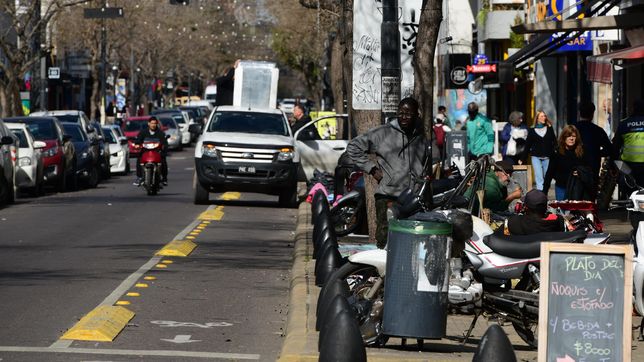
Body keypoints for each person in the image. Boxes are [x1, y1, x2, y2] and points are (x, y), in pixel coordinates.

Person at [346, 97, 431, 249]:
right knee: (385, 241)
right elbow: (353, 147)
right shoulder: (383, 132)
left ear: (416, 115)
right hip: (388, 195)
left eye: (408, 114)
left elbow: (429, 160)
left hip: (414, 198)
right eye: (401, 113)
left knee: (412, 243)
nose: (404, 117)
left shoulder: (421, 134)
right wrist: (371, 168)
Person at [571, 102, 613, 199]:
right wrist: (597, 153)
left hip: (575, 167)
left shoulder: (572, 129)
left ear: (579, 113)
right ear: (592, 114)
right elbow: (609, 149)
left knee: (574, 199)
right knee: (589, 199)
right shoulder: (598, 130)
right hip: (592, 169)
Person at [543, 125, 591, 200]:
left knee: (575, 211)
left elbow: (588, 169)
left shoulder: (581, 152)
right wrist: (544, 192)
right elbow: (550, 172)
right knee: (562, 210)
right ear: (564, 138)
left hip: (577, 188)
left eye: (574, 136)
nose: (571, 138)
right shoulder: (557, 152)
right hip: (561, 187)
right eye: (568, 136)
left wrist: (580, 173)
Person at [612, 99, 644, 188]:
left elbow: (615, 146)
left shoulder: (624, 123)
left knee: (629, 189)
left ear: (633, 109)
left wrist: (614, 163)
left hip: (629, 166)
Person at [525, 110, 557, 191]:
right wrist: (522, 158)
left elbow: (554, 141)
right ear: (537, 118)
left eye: (544, 116)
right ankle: (541, 196)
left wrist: (556, 152)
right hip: (536, 157)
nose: (544, 118)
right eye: (542, 116)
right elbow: (528, 145)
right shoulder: (532, 129)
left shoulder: (549, 128)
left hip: (547, 157)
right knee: (539, 177)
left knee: (548, 177)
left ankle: (545, 193)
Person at [133, 117, 169, 186]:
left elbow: (164, 142)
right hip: (145, 152)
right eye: (152, 123)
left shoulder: (160, 133)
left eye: (155, 123)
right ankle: (139, 177)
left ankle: (164, 178)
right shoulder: (143, 132)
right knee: (139, 159)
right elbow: (138, 140)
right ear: (148, 123)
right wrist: (137, 144)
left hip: (157, 152)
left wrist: (164, 148)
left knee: (163, 160)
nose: (153, 125)